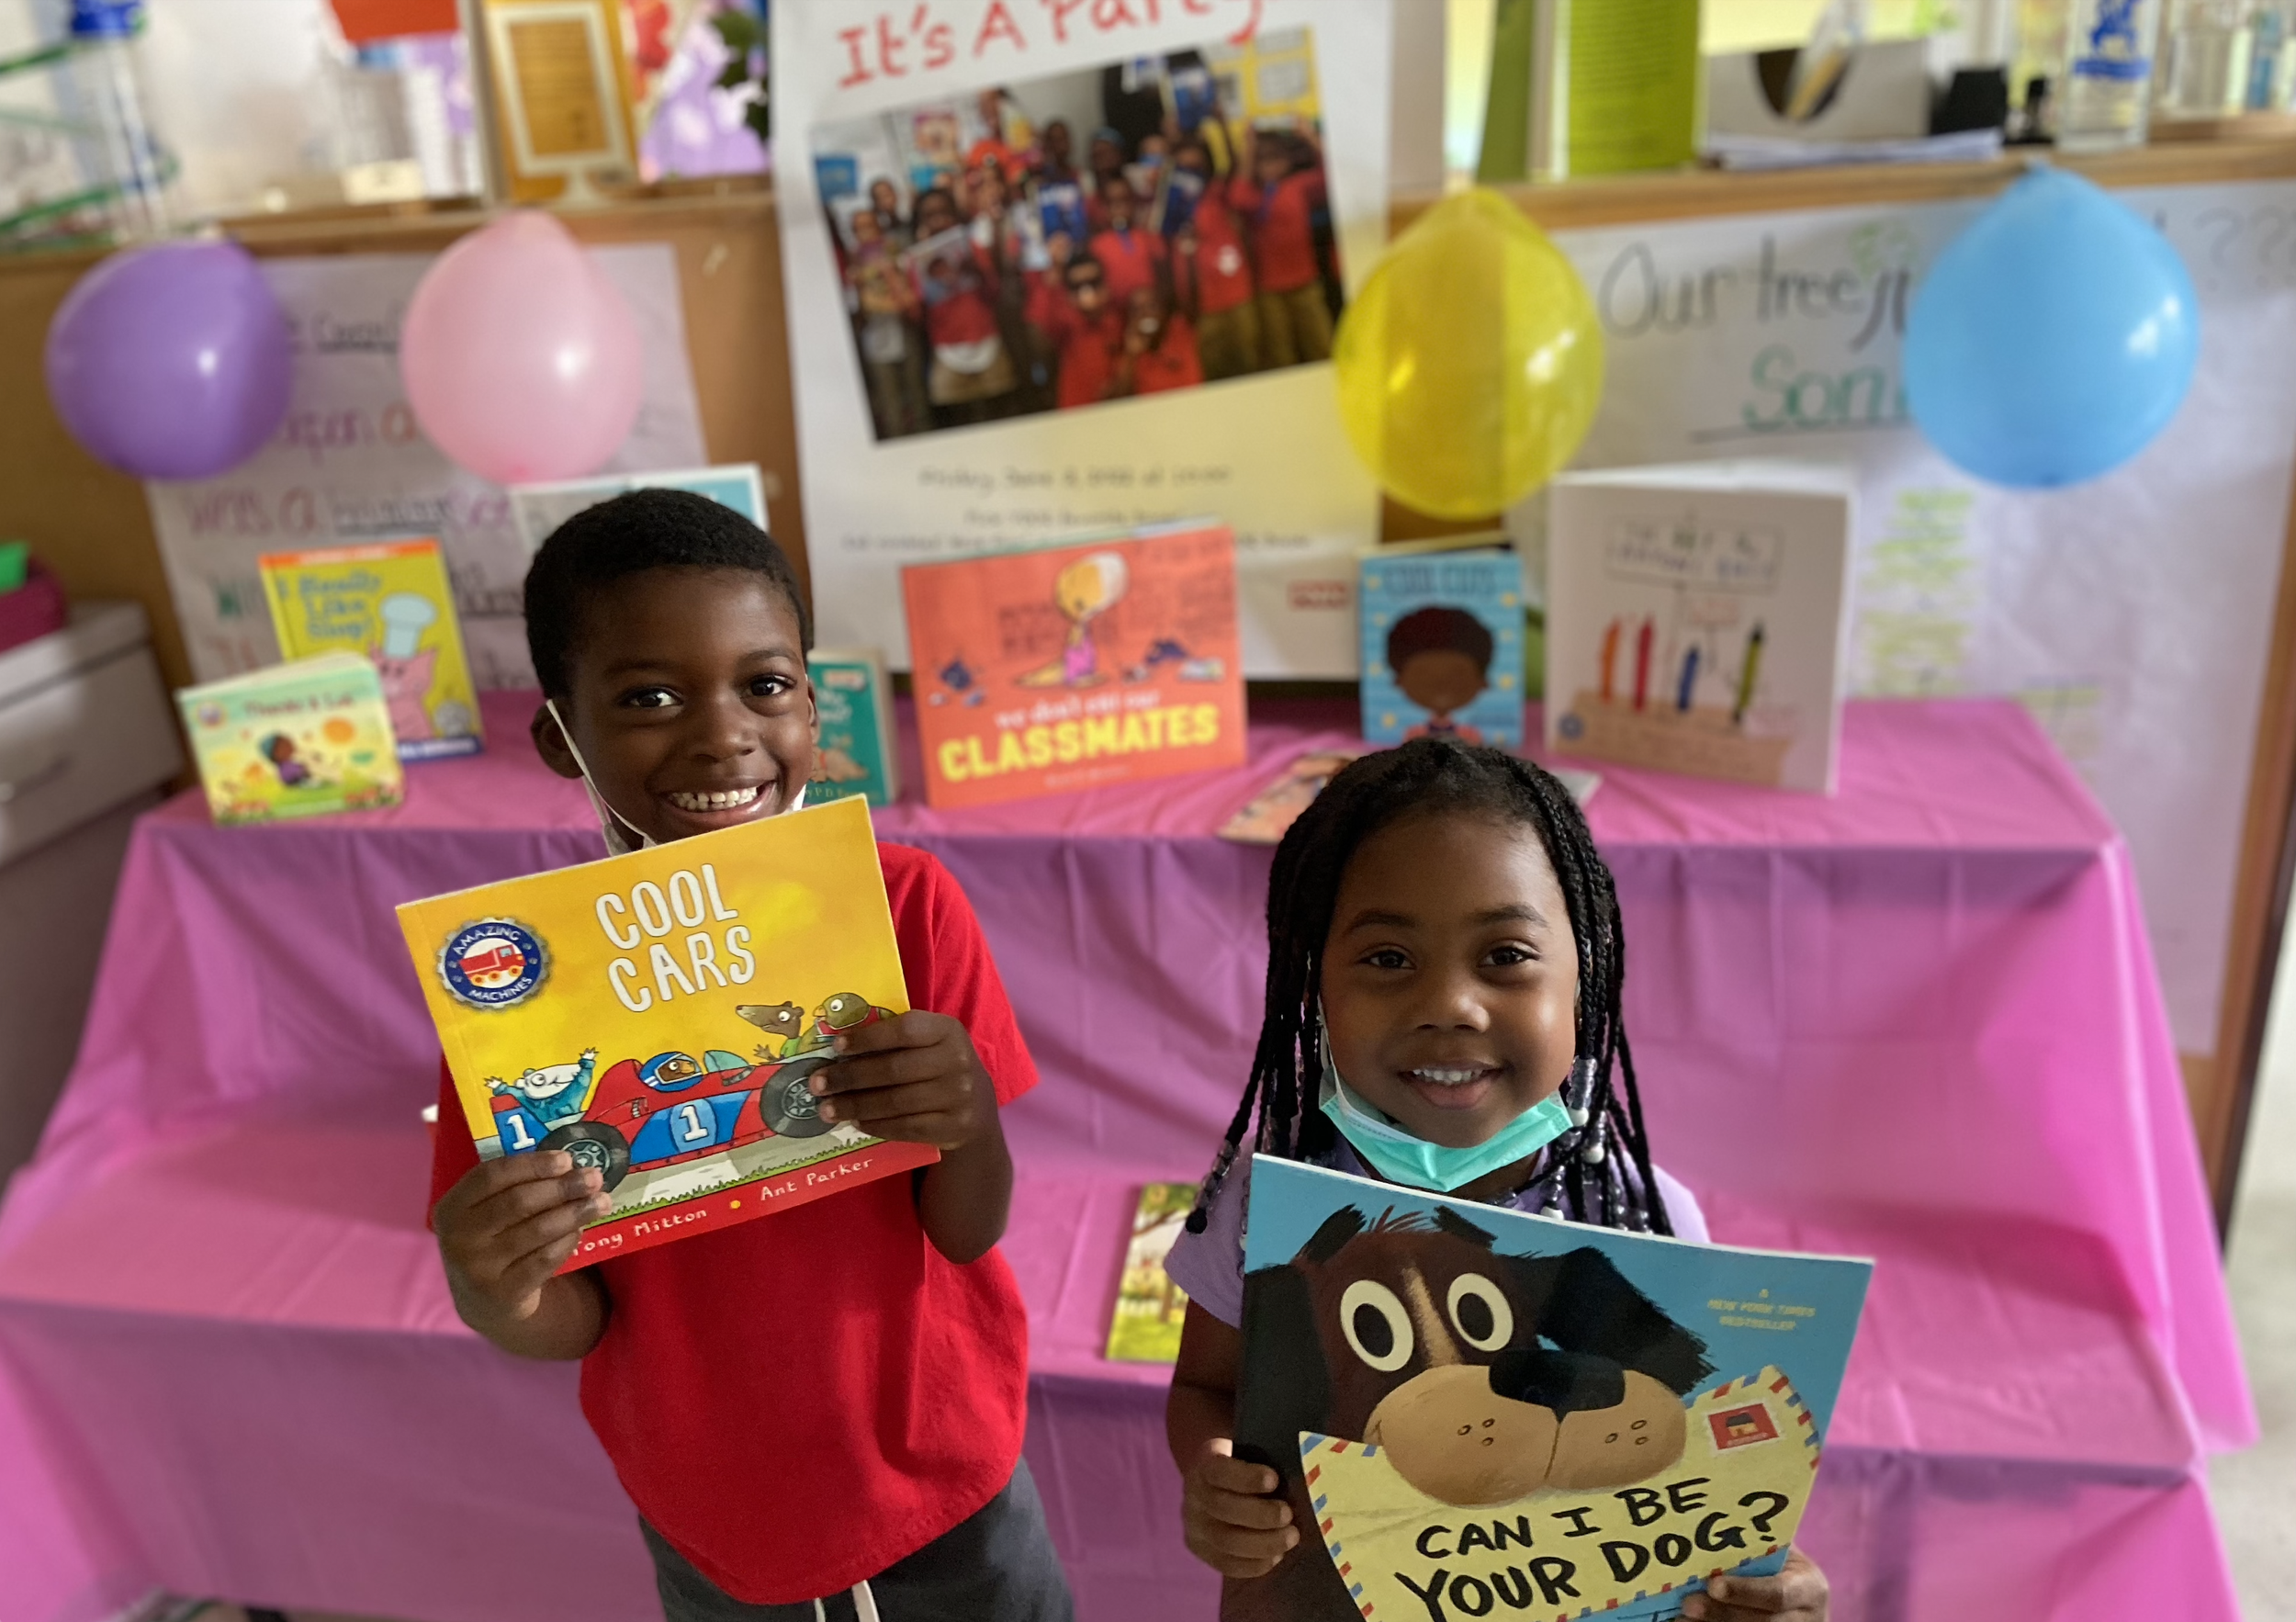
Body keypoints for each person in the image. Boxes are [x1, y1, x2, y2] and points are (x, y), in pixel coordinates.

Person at [429, 490, 1074, 1622]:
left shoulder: (908, 905)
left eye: (764, 684)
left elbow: (968, 1225)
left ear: (814, 707)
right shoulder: (519, 994)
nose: (723, 732)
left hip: (946, 1469)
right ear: (557, 732)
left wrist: (963, 1113)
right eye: (649, 696)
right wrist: (492, 1282)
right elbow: (568, 1314)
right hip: (713, 1513)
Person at [1160, 741, 1833, 1622]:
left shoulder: (1643, 1219)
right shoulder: (1267, 1199)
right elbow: (1206, 1387)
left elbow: (1695, 1469)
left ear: (1583, 977)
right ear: (1310, 982)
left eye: (1507, 955)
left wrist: (1761, 1578)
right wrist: (1216, 1477)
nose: (1451, 1004)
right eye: (1388, 959)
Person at [909, 186, 1019, 428]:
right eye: (930, 216)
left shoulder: (974, 247)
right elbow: (917, 314)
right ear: (920, 222)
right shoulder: (915, 261)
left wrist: (977, 270)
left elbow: (994, 293)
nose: (938, 221)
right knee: (960, 419)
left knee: (1001, 415)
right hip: (947, 347)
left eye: (944, 213)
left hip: (985, 339)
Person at [1233, 126, 1334, 367]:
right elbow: (1237, 196)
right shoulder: (1252, 196)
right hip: (1270, 291)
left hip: (1305, 283)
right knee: (1281, 356)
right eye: (1264, 161)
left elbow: (1332, 171)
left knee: (1322, 346)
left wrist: (1308, 135)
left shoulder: (1298, 187)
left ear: (1287, 161)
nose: (1270, 167)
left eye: (1276, 159)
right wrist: (1249, 149)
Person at [1168, 131, 1259, 381]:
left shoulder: (1219, 193)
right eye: (1185, 169)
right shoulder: (1170, 208)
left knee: (1249, 367)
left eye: (1197, 167)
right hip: (1201, 309)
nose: (1192, 174)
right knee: (1214, 375)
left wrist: (1222, 126)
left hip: (1238, 298)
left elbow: (1234, 167)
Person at [845, 208, 928, 439]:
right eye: (859, 228)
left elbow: (913, 293)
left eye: (869, 225)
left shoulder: (895, 250)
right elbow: (857, 307)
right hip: (875, 336)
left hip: (904, 329)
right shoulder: (854, 261)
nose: (865, 232)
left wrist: (891, 274)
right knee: (890, 402)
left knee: (917, 394)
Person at [1030, 242, 1122, 410]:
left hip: (1119, 407)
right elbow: (1042, 322)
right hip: (1078, 411)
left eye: (1094, 283)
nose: (1087, 293)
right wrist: (1055, 271)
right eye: (1077, 287)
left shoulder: (1119, 317)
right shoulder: (1066, 323)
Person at [1086, 171, 1167, 308]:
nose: (1119, 208)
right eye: (1112, 203)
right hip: (1114, 314)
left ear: (1134, 202)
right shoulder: (1096, 245)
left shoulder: (1149, 237)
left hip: (1149, 310)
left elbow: (1164, 278)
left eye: (1125, 200)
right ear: (1103, 207)